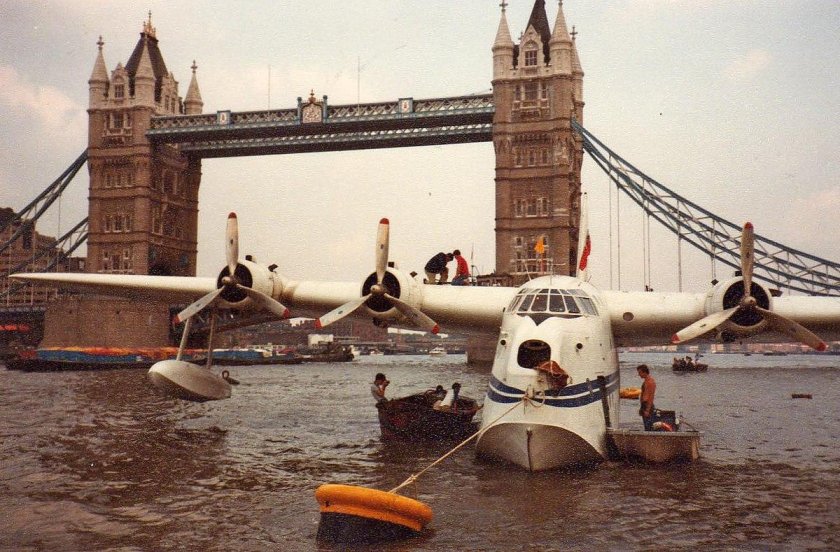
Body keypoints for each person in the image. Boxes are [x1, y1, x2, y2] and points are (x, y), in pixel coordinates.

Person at [637, 364, 656, 431]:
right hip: (645, 405)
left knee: (649, 427)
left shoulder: (650, 382)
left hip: (647, 406)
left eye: (640, 373)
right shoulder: (647, 381)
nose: (639, 375)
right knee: (647, 426)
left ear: (644, 372)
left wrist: (647, 410)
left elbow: (650, 397)